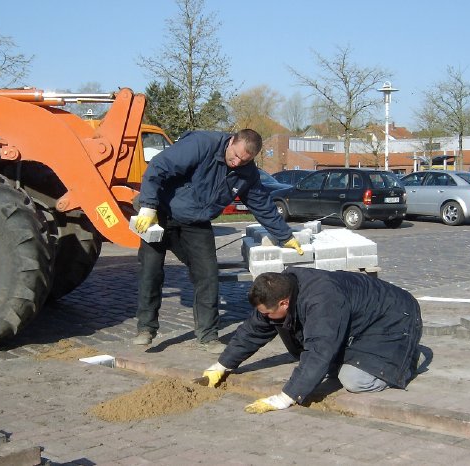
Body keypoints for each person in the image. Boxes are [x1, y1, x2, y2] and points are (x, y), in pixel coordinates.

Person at [133, 129, 303, 354]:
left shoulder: (246, 173)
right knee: (151, 271)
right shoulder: (201, 144)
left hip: (196, 222)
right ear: (231, 141)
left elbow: (261, 204)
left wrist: (286, 236)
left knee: (208, 275)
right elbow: (159, 166)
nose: (236, 163)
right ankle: (146, 329)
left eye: (244, 160)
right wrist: (148, 205)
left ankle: (207, 335)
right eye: (235, 155)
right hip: (161, 213)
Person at [203, 267, 423, 413]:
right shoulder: (281, 288)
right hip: (363, 318)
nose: (265, 317)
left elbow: (319, 348)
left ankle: (403, 365)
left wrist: (285, 397)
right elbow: (253, 330)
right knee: (326, 365)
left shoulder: (322, 300)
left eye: (268, 313)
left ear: (284, 303)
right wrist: (221, 366)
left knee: (354, 380)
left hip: (395, 318)